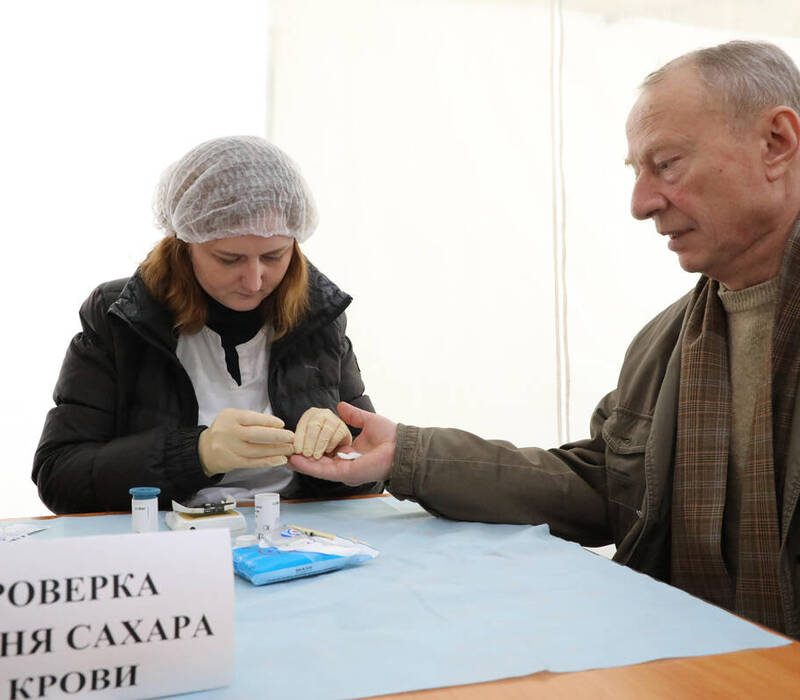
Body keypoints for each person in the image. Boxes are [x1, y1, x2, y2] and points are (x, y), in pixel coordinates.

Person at [289, 41, 800, 638]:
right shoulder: (663, 344)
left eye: (667, 163)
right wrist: (407, 454)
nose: (641, 204)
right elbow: (603, 486)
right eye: (638, 172)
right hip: (696, 666)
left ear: (777, 143)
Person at [34, 136, 382, 514]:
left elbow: (373, 477)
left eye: (274, 255)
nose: (254, 281)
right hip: (170, 542)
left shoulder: (318, 315)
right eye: (229, 258)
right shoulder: (121, 318)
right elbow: (60, 477)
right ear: (185, 243)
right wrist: (198, 453)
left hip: (295, 539)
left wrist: (342, 454)